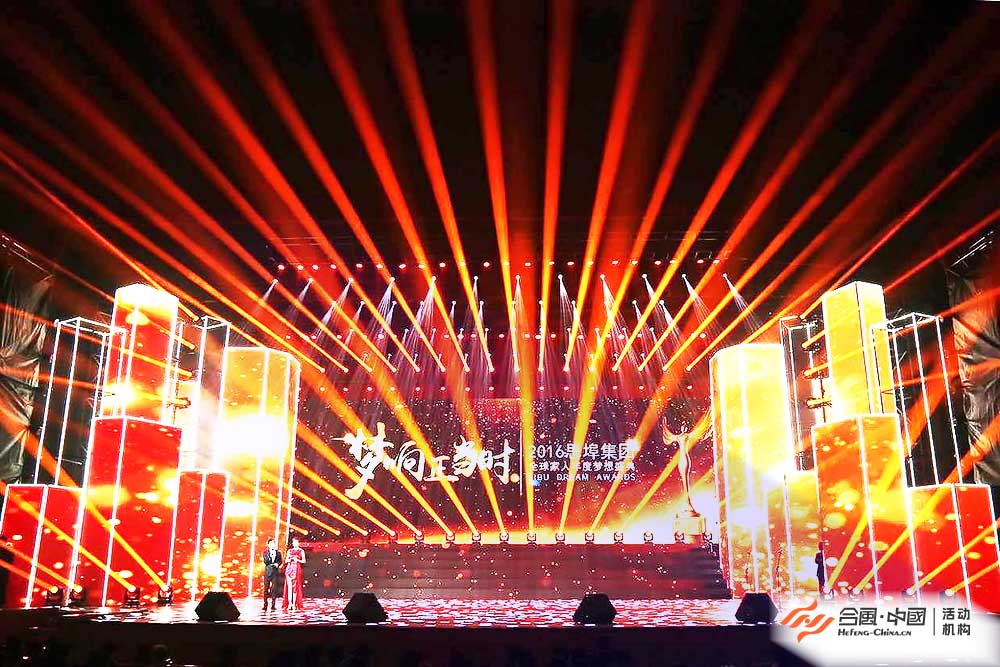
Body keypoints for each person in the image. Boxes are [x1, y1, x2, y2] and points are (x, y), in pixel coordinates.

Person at [282, 537, 305, 611]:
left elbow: (304, 561)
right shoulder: (289, 551)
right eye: (293, 542)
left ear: (298, 543)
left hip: (296, 569)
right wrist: (289, 559)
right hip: (289, 569)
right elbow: (286, 560)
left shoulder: (301, 551)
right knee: (289, 587)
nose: (294, 543)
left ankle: (294, 603)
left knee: (295, 587)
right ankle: (289, 604)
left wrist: (297, 560)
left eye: (296, 542)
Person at [261, 537, 283, 611]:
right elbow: (266, 561)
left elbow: (280, 561)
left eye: (273, 543)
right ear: (268, 545)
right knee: (266, 589)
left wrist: (277, 564)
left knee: (274, 589)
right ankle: (265, 605)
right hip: (268, 572)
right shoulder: (265, 552)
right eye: (271, 544)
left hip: (275, 573)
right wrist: (271, 556)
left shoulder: (278, 553)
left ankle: (273, 605)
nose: (272, 545)